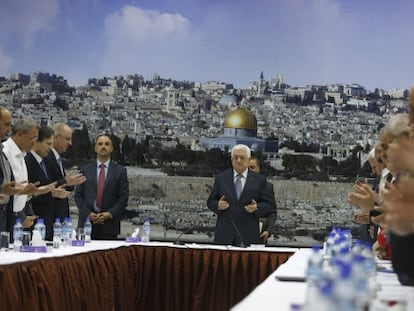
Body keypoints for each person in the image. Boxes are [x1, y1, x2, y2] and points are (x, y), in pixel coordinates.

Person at [207, 144, 274, 246]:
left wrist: (256, 208)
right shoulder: (221, 179)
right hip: (224, 235)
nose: (238, 161)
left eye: (242, 158)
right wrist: (218, 205)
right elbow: (211, 201)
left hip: (248, 236)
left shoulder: (260, 181)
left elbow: (269, 206)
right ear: (231, 160)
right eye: (235, 158)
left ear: (248, 160)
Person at [3, 118, 55, 232]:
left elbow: (21, 191)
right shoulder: (5, 153)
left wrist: (34, 192)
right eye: (32, 138)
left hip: (16, 217)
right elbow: (8, 190)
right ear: (20, 134)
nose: (34, 142)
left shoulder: (23, 155)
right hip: (5, 216)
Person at [75, 134, 129, 240]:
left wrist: (110, 214)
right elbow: (78, 196)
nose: (103, 146)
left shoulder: (120, 171)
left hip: (109, 226)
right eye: (100, 144)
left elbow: (123, 197)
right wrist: (88, 214)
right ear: (95, 148)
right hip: (86, 224)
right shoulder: (85, 169)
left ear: (112, 148)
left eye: (107, 144)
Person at [25, 126, 70, 240]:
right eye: (48, 144)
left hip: (49, 222)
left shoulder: (46, 161)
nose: (50, 148)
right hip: (33, 221)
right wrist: (51, 193)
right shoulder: (27, 161)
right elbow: (27, 193)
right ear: (36, 141)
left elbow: (49, 185)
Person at [44, 122, 86, 223]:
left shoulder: (57, 158)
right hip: (50, 216)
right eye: (67, 139)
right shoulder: (47, 157)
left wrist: (69, 183)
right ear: (55, 137)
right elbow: (47, 185)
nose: (70, 143)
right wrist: (66, 181)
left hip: (58, 216)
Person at [248, 156, 277, 244]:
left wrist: (268, 231)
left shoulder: (267, 187)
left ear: (258, 169)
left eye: (252, 167)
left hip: (260, 235)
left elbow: (272, 212)